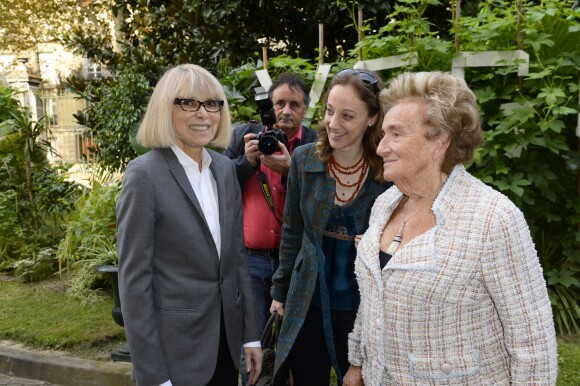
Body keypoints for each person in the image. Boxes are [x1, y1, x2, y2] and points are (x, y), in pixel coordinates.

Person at [345, 71, 558, 385]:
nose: (381, 147)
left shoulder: (493, 219)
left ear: (440, 141)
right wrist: (357, 363)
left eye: (396, 134)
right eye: (384, 134)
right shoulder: (385, 204)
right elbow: (374, 295)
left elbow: (533, 343)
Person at [116, 63, 262, 386]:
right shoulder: (144, 176)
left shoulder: (224, 170)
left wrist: (251, 336)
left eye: (212, 104)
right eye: (188, 103)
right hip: (173, 359)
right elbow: (133, 286)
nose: (203, 114)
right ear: (164, 110)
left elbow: (237, 260)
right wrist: (154, 376)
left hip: (226, 349)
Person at [269, 69, 389, 386]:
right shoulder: (304, 160)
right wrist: (280, 292)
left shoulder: (387, 173)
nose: (333, 124)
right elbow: (292, 232)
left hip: (361, 306)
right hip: (308, 299)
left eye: (348, 116)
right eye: (329, 111)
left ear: (373, 118)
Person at [222, 73, 317, 384]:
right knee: (252, 340)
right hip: (251, 259)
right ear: (269, 106)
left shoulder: (314, 145)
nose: (286, 111)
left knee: (296, 341)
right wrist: (245, 164)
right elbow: (218, 186)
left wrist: (293, 172)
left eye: (295, 104)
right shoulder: (244, 137)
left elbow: (319, 202)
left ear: (305, 109)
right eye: (279, 103)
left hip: (295, 261)